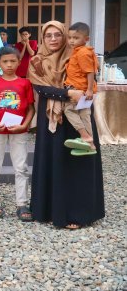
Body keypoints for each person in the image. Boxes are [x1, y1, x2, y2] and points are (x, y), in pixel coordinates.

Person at [28, 21, 104, 230]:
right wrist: (67, 93)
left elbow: (90, 78)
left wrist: (79, 92)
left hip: (76, 117)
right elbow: (42, 89)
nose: (53, 39)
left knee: (77, 165)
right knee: (55, 162)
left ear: (65, 37)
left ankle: (79, 213)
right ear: (42, 39)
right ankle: (49, 210)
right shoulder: (36, 61)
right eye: (48, 35)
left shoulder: (77, 54)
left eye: (57, 35)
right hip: (52, 120)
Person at [0, 46, 35, 221]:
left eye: (13, 61)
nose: (9, 65)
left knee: (21, 166)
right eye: (5, 61)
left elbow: (31, 109)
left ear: (19, 62)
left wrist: (25, 126)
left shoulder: (25, 83)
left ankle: (21, 203)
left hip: (18, 130)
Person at [62, 22, 99, 154]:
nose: (72, 40)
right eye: (70, 37)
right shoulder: (81, 51)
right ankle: (91, 144)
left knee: (69, 111)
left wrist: (88, 90)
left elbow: (90, 72)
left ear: (86, 39)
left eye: (76, 38)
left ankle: (84, 136)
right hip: (84, 89)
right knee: (84, 114)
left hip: (80, 89)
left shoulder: (82, 52)